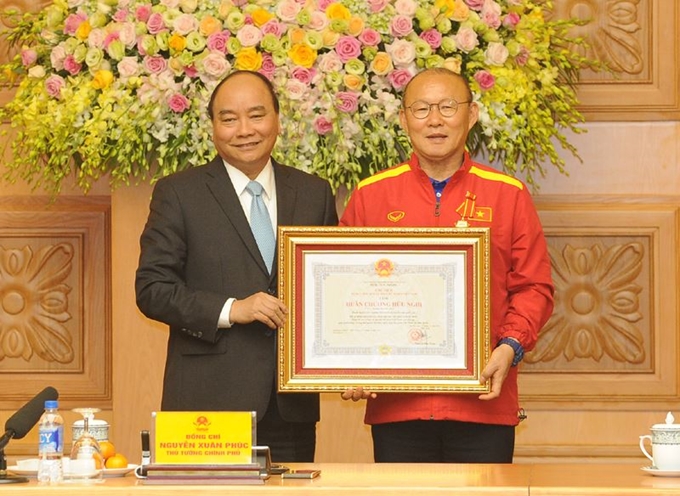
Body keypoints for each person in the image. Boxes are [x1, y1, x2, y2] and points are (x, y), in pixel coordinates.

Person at [339, 67, 554, 463]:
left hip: (482, 400)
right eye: (421, 109)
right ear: (403, 120)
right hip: (397, 403)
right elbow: (346, 292)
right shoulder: (371, 196)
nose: (434, 120)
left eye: (447, 107)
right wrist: (348, 359)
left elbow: (534, 287)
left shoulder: (508, 195)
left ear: (471, 115)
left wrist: (508, 348)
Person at [135, 70, 338, 462]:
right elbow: (152, 289)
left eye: (257, 115)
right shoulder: (179, 193)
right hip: (206, 407)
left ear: (278, 119)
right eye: (229, 119)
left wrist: (355, 364)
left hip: (289, 408)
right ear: (213, 127)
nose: (244, 129)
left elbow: (329, 292)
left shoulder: (314, 192)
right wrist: (232, 309)